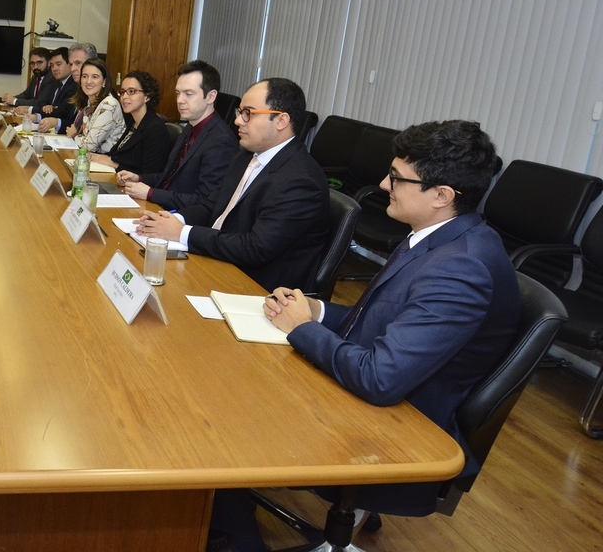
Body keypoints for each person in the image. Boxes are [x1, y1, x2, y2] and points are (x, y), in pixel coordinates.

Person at [211, 121, 521, 552]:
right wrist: (314, 311)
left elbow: (381, 377)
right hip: (377, 390)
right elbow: (380, 318)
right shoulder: (438, 237)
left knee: (218, 422)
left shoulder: (461, 267)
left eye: (396, 177)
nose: (382, 184)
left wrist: (300, 328)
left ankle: (234, 536)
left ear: (442, 195)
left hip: (401, 427)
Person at [136, 77, 329, 291]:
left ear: (281, 121)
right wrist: (173, 219)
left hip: (254, 288)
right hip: (218, 260)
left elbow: (255, 248)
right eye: (239, 112)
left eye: (248, 113)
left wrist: (181, 232)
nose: (238, 121)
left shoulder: (300, 181)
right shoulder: (246, 155)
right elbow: (212, 204)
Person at [116, 61, 237, 210]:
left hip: (180, 219)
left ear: (211, 96)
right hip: (160, 208)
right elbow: (169, 176)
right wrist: (139, 178)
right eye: (178, 93)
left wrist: (151, 193)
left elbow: (205, 202)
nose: (180, 100)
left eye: (189, 94)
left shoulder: (221, 140)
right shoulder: (190, 128)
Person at [90, 70, 172, 174]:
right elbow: (119, 156)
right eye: (122, 92)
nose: (124, 97)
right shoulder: (132, 121)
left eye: (131, 91)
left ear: (147, 96)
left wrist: (113, 164)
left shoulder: (155, 129)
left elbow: (150, 175)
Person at [66, 57, 124, 153]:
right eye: (84, 76)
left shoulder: (109, 105)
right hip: (90, 157)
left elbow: (89, 146)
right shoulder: (88, 102)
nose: (88, 81)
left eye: (95, 77)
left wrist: (74, 135)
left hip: (107, 162)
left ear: (104, 82)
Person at [38, 42, 96, 133]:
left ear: (93, 63)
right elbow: (74, 124)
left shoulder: (101, 96)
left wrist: (56, 123)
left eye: (78, 63)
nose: (72, 69)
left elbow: (86, 133)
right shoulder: (80, 90)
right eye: (71, 64)